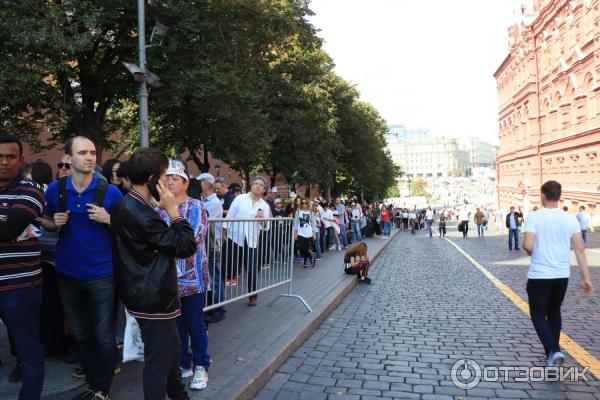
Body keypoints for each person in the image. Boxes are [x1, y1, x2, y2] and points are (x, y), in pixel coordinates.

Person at [110, 148, 197, 400]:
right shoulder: (141, 212)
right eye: (163, 175)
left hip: (144, 294)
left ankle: (179, 396)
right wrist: (173, 211)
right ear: (151, 177)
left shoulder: (127, 203)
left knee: (171, 352)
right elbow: (185, 245)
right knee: (158, 363)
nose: (166, 181)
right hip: (153, 298)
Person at [42, 136, 122, 400]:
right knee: (81, 333)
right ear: (68, 158)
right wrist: (53, 222)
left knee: (103, 335)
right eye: (82, 153)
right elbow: (46, 221)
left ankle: (103, 389)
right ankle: (92, 383)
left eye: (92, 152)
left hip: (101, 274)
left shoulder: (109, 191)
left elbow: (130, 229)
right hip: (66, 273)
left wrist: (110, 219)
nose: (90, 157)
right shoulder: (56, 189)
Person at [523, 180, 593, 366]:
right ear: (559, 196)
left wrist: (529, 249)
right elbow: (579, 249)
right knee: (554, 312)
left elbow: (528, 246)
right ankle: (551, 355)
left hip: (540, 275)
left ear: (543, 195)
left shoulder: (534, 217)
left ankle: (553, 350)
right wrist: (586, 278)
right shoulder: (570, 219)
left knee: (538, 315)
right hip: (562, 275)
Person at [0, 134, 46, 400]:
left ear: (20, 160)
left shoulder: (31, 190)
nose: (4, 162)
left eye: (10, 157)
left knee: (29, 352)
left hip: (20, 287)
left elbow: (8, 229)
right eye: (0, 157)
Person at [158, 160, 210, 391]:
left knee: (195, 325)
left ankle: (202, 365)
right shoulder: (158, 209)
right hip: (168, 279)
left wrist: (165, 242)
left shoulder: (196, 207)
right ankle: (183, 363)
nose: (169, 181)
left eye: (175, 178)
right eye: (166, 177)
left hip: (193, 277)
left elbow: (193, 240)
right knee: (176, 326)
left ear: (185, 183)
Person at [225, 176, 272, 307]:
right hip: (234, 237)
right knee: (227, 267)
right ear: (251, 186)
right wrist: (224, 235)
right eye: (256, 183)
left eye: (261, 185)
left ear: (264, 189)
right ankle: (219, 297)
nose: (258, 186)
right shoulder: (239, 199)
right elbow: (229, 217)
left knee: (252, 268)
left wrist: (262, 220)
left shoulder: (264, 205)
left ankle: (253, 296)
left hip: (251, 240)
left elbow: (266, 227)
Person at [197, 173, 227, 324]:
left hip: (212, 245)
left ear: (207, 184)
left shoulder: (214, 203)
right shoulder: (203, 200)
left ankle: (220, 309)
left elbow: (204, 221)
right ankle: (213, 306)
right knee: (210, 276)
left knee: (215, 276)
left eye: (199, 182)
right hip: (206, 244)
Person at [294, 198, 317, 268]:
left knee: (306, 247)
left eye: (306, 203)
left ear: (308, 204)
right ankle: (311, 256)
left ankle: (305, 263)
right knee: (301, 247)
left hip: (308, 232)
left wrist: (314, 233)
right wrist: (295, 233)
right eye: (302, 203)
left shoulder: (311, 212)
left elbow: (313, 224)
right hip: (300, 232)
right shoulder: (298, 212)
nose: (304, 205)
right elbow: (296, 223)